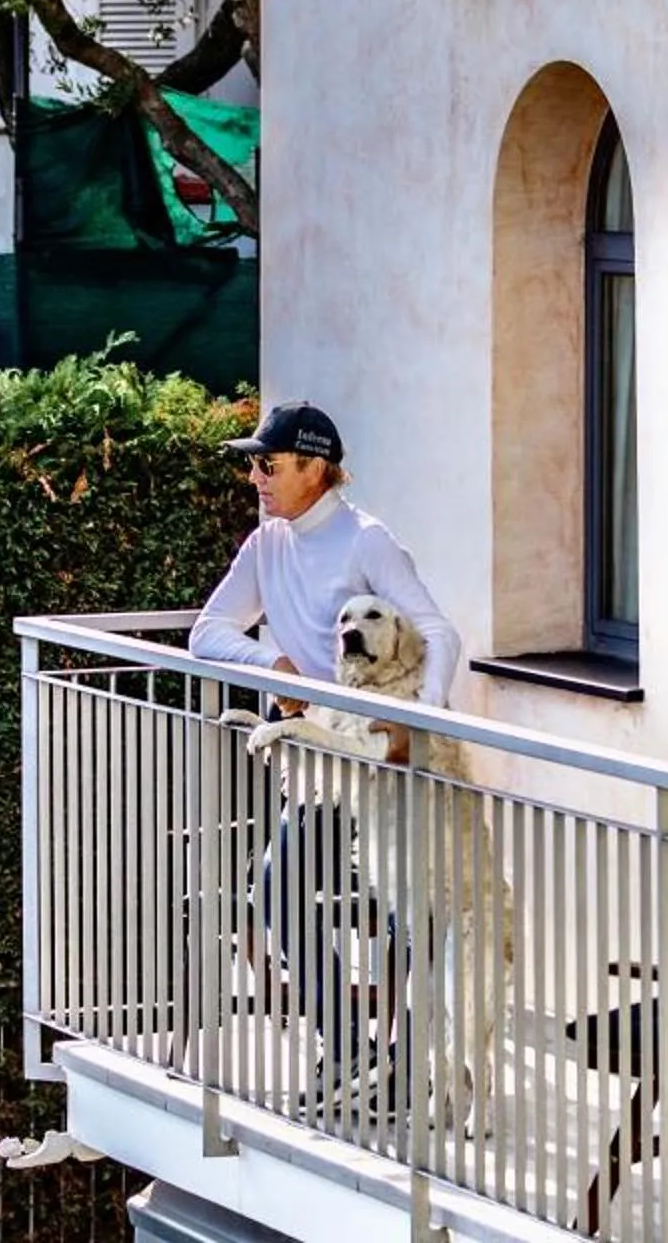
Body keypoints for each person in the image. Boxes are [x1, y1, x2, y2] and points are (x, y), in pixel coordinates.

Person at [190, 400, 459, 1106]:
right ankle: (348, 1048)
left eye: (268, 464)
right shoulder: (266, 543)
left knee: (409, 907)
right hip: (318, 763)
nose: (255, 476)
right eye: (252, 463)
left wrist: (419, 723)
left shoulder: (367, 540)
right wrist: (274, 661)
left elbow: (437, 630)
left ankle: (402, 1066)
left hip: (384, 754)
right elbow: (207, 631)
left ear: (316, 468)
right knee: (279, 891)